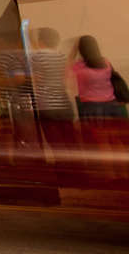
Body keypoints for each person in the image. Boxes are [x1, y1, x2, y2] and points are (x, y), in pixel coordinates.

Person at [72, 35, 129, 177]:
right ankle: (124, 173)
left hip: (93, 108)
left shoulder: (79, 67)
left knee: (103, 144)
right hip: (113, 106)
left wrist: (73, 50)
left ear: (81, 50)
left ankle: (110, 175)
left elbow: (65, 70)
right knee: (117, 142)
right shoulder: (106, 62)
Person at [30, 27, 75, 161]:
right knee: (70, 141)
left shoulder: (36, 57)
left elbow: (35, 79)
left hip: (47, 105)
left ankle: (63, 173)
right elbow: (67, 79)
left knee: (55, 144)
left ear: (41, 41)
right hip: (64, 102)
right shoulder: (62, 56)